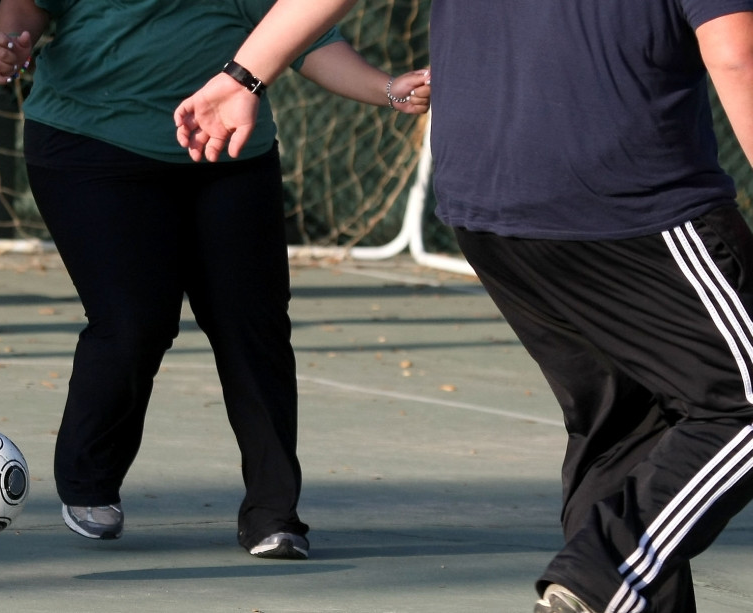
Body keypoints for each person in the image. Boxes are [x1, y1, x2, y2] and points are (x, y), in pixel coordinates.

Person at [173, 0, 753, 610]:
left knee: (625, 425)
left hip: (489, 204)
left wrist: (240, 76)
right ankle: (605, 574)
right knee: (735, 404)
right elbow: (737, 56)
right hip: (624, 204)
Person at [0, 0, 430, 559]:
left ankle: (274, 512)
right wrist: (15, 40)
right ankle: (89, 482)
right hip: (90, 148)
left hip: (230, 151)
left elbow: (307, 34)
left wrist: (390, 89)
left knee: (253, 325)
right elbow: (26, 6)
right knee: (134, 323)